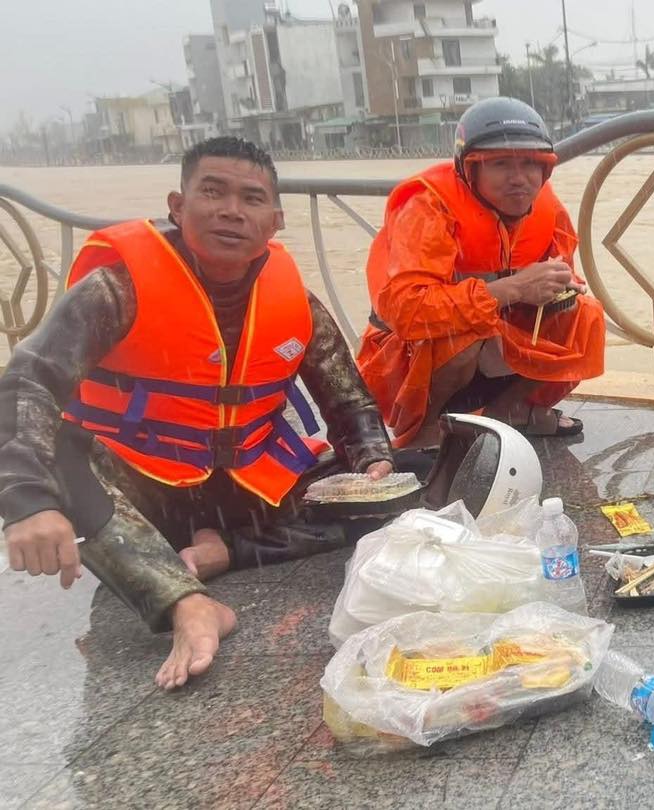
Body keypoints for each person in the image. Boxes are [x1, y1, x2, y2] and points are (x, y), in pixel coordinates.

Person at [0, 137, 395, 688]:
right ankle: (187, 603)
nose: (232, 210)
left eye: (252, 199)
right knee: (61, 456)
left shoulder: (294, 300)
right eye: (213, 192)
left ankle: (223, 553)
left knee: (402, 487)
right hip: (143, 495)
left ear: (275, 220)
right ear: (177, 206)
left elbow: (349, 402)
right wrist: (26, 503)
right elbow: (27, 381)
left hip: (246, 496)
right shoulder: (115, 289)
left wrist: (373, 461)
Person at [357, 97, 606, 448]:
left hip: (496, 335)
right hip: (408, 356)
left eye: (531, 165)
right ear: (469, 169)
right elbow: (407, 312)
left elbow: (563, 276)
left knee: (584, 317)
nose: (519, 179)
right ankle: (425, 431)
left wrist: (558, 291)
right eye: (501, 164)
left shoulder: (547, 208)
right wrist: (512, 288)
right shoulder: (428, 207)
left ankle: (511, 411)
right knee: (463, 333)